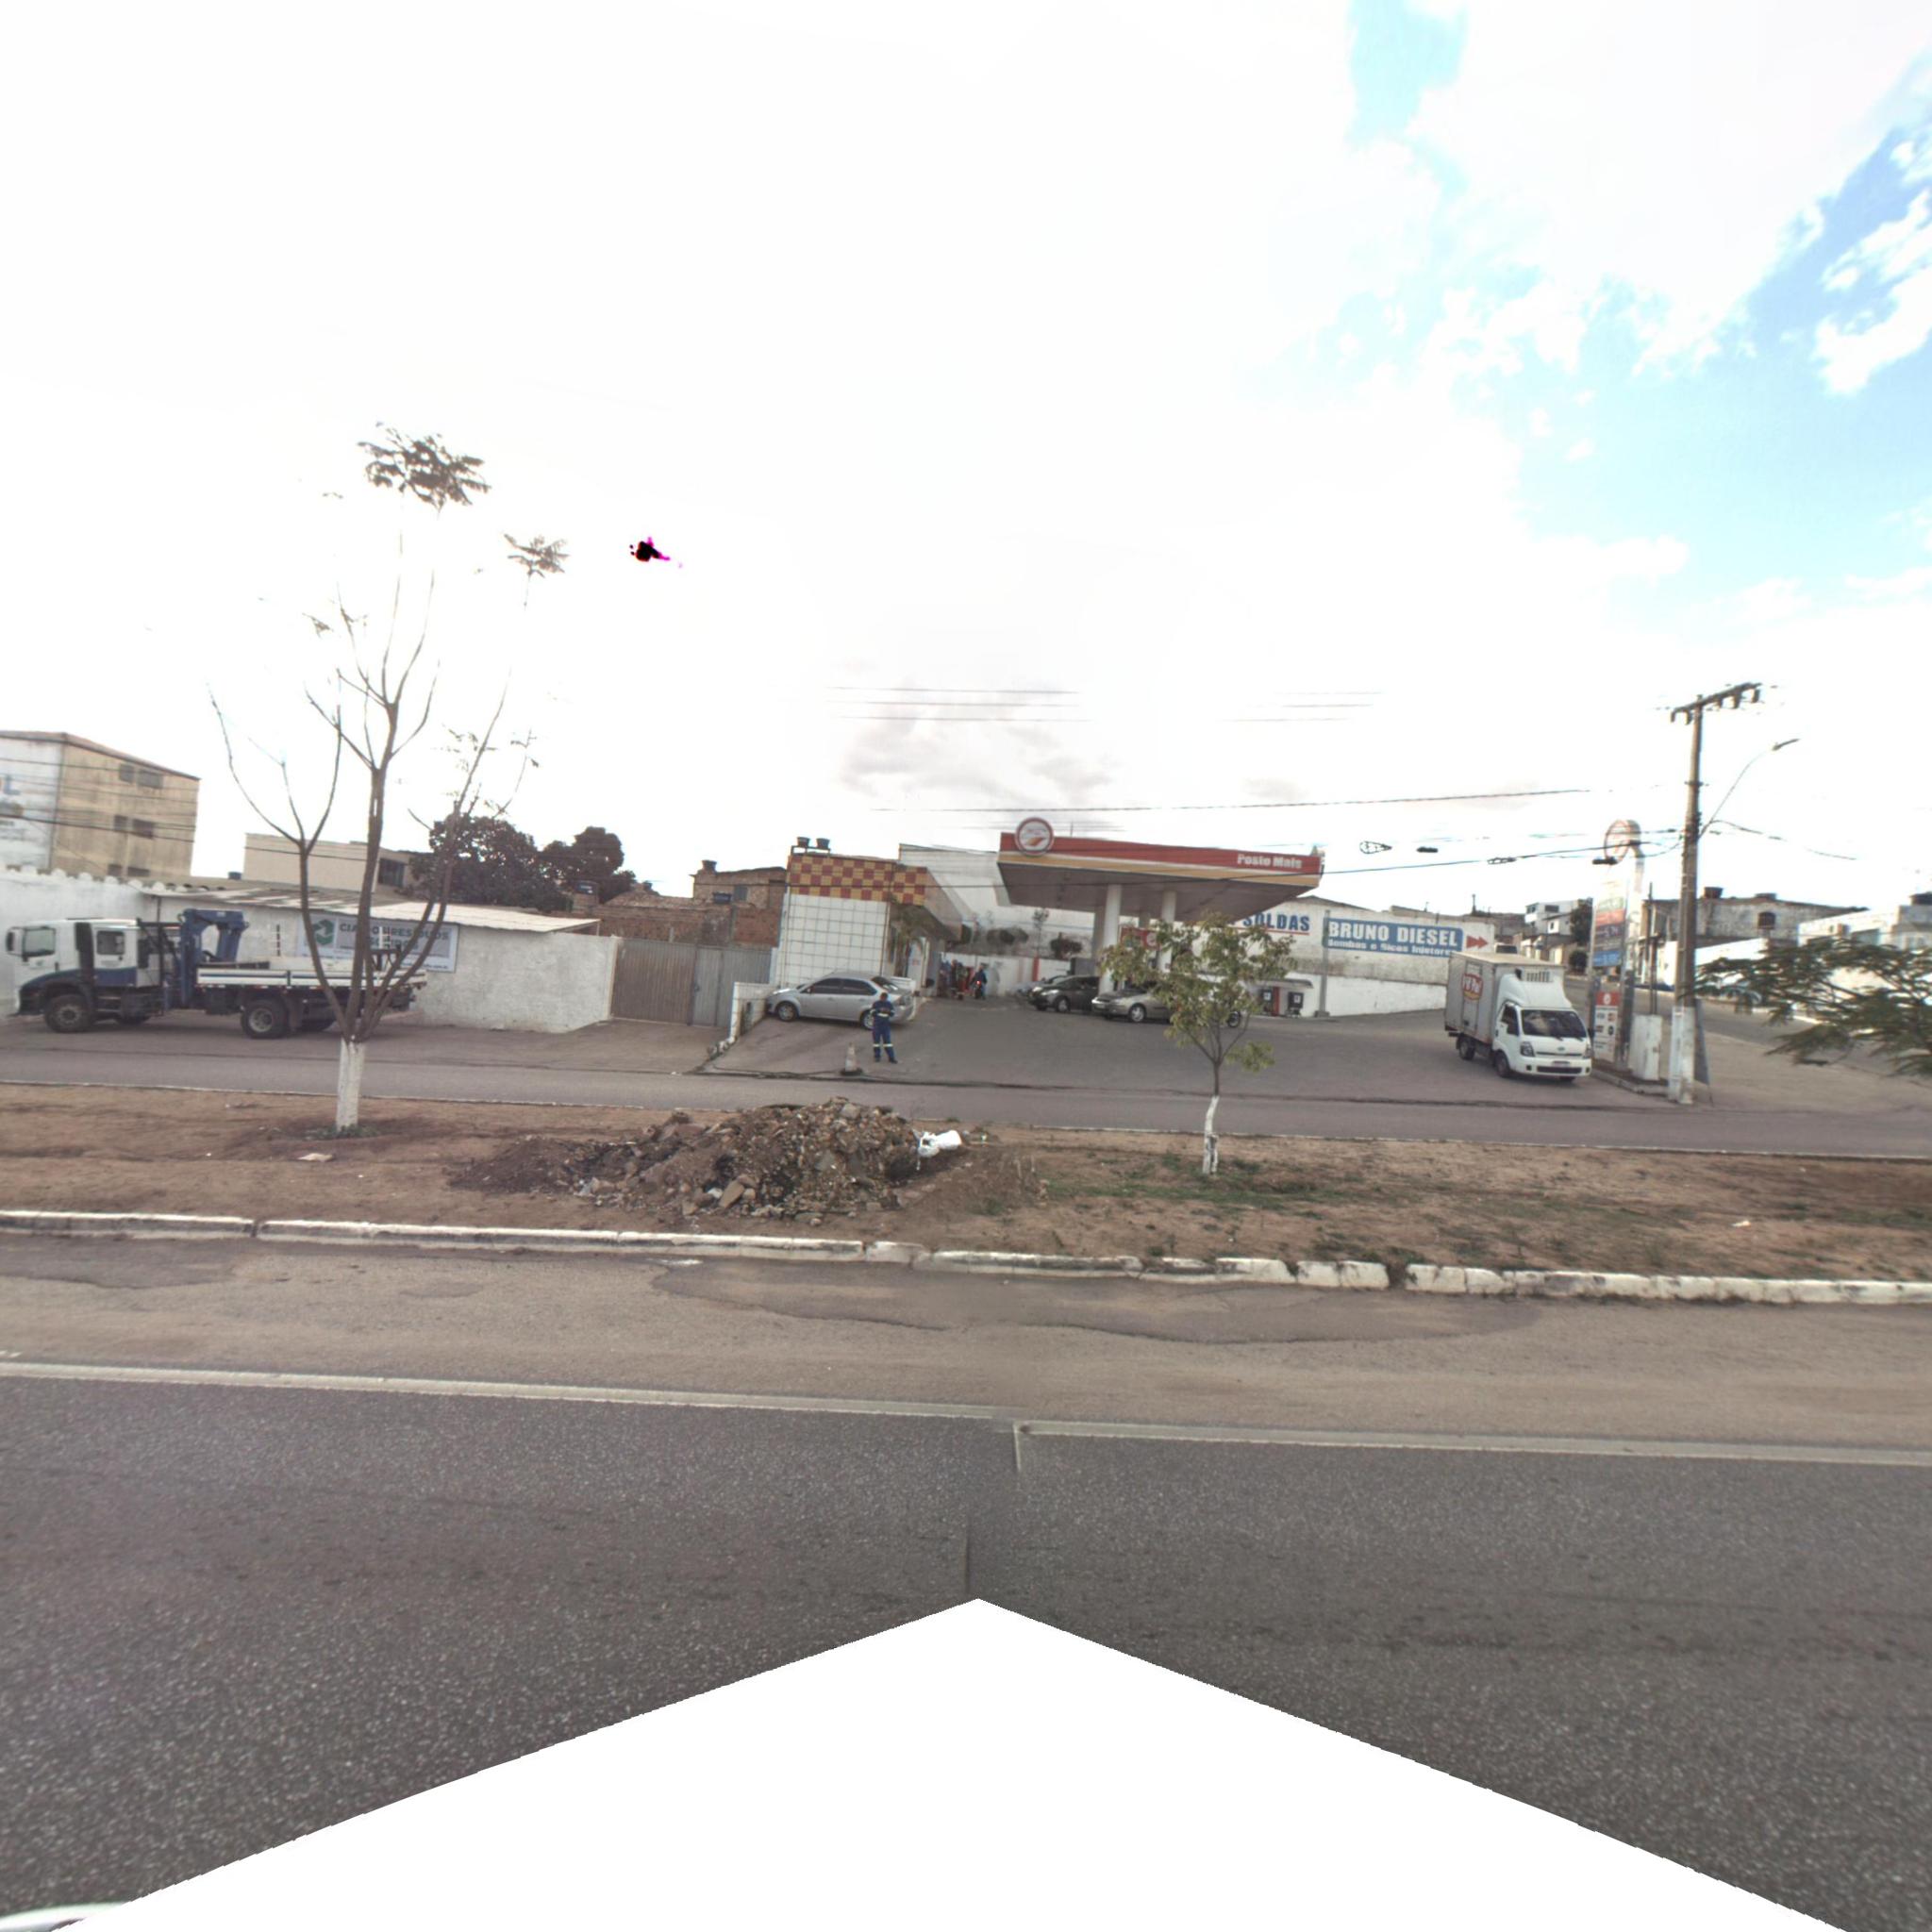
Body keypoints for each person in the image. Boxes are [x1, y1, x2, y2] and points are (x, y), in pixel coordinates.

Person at [866, 987, 898, 1065]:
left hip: (885, 1026)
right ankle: (877, 1056)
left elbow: (892, 1013)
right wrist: (879, 1010)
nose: (883, 999)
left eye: (885, 998)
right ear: (880, 997)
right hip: (877, 1025)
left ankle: (891, 1057)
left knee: (888, 1042)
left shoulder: (889, 1004)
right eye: (882, 998)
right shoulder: (876, 1004)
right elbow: (872, 1013)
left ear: (886, 998)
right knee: (876, 1042)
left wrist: (888, 1011)